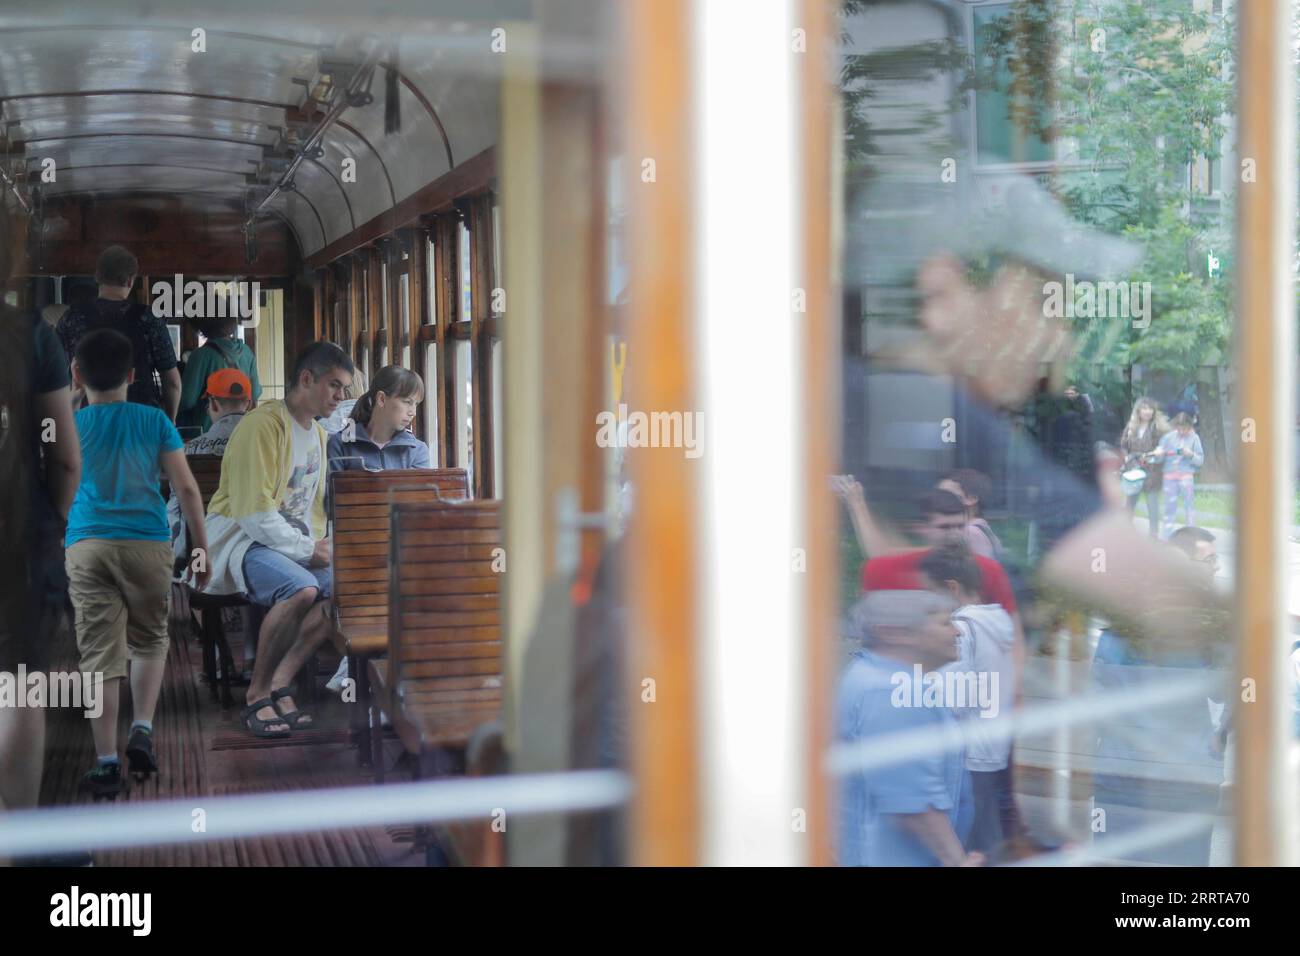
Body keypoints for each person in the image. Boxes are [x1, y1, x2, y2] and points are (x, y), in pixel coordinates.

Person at [65, 329, 209, 796]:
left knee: (98, 655)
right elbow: (186, 489)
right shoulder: (153, 420)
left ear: (77, 373)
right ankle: (141, 728)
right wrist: (201, 547)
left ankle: (106, 762)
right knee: (150, 638)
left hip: (87, 545)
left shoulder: (70, 425)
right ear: (132, 376)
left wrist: (70, 401)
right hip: (147, 542)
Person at [200, 341, 354, 738]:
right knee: (300, 588)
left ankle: (280, 682)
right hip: (240, 539)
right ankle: (255, 696)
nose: (342, 397)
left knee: (341, 587)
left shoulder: (318, 435)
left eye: (345, 388)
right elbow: (253, 513)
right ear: (307, 378)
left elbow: (313, 511)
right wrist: (308, 550)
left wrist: (324, 545)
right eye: (335, 385)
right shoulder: (264, 426)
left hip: (282, 543)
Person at [0, 280, 81, 823]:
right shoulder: (30, 335)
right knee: (17, 683)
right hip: (18, 535)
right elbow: (64, 458)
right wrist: (49, 521)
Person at [836, 589, 982, 867]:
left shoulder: (881, 679)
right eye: (945, 623)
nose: (958, 632)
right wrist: (956, 861)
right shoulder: (892, 691)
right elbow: (914, 803)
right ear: (894, 633)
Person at [918, 542, 1019, 856]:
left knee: (967, 844)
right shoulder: (997, 623)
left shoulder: (962, 628)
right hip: (992, 748)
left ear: (951, 588)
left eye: (930, 593)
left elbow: (950, 701)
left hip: (968, 754)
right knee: (987, 839)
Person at [56, 245, 181, 418]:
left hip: (89, 418)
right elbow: (172, 381)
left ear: (97, 277)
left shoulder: (71, 318)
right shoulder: (149, 318)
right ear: (130, 280)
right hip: (141, 419)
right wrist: (170, 421)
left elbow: (58, 377)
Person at [167, 368, 254, 568]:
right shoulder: (265, 446)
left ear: (212, 404)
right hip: (251, 548)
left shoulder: (188, 451)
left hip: (199, 552)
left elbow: (176, 505)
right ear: (248, 404)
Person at [326, 365, 431, 473]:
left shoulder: (417, 450)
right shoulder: (340, 444)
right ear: (381, 399)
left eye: (416, 404)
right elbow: (334, 489)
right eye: (407, 402)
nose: (413, 412)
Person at [177, 311, 262, 432]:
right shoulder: (246, 352)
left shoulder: (200, 355)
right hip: (240, 431)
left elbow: (186, 401)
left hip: (208, 432)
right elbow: (255, 393)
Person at [1119, 396, 1169, 537]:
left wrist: (1159, 452)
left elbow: (1165, 446)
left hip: (1152, 470)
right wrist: (1126, 456)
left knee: (1152, 503)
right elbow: (1123, 445)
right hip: (1133, 469)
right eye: (1144, 408)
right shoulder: (1131, 427)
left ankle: (1154, 535)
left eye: (1150, 409)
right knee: (1130, 502)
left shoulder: (1158, 428)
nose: (1148, 412)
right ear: (1138, 410)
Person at [936, 468, 1002, 560]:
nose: (938, 500)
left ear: (971, 498)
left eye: (947, 495)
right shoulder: (983, 529)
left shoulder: (970, 532)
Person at [1157, 412, 1204, 537]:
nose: (1182, 431)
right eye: (1179, 428)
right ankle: (1166, 536)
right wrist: (1159, 454)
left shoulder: (1194, 438)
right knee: (1169, 508)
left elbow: (1200, 461)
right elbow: (1158, 459)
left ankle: (1191, 536)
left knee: (1189, 507)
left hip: (1186, 476)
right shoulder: (1168, 438)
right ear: (1175, 426)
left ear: (1190, 425)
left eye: (1185, 428)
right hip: (1169, 477)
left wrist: (1191, 455)